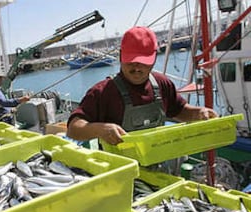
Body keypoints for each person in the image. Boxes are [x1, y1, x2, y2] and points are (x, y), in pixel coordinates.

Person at [67, 26, 218, 145]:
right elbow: (73, 128)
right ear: (120, 56)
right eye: (131, 61)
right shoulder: (102, 92)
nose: (137, 68)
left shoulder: (162, 84)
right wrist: (99, 129)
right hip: (119, 170)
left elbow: (178, 110)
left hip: (158, 165)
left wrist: (199, 113)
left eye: (143, 62)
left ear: (153, 59)